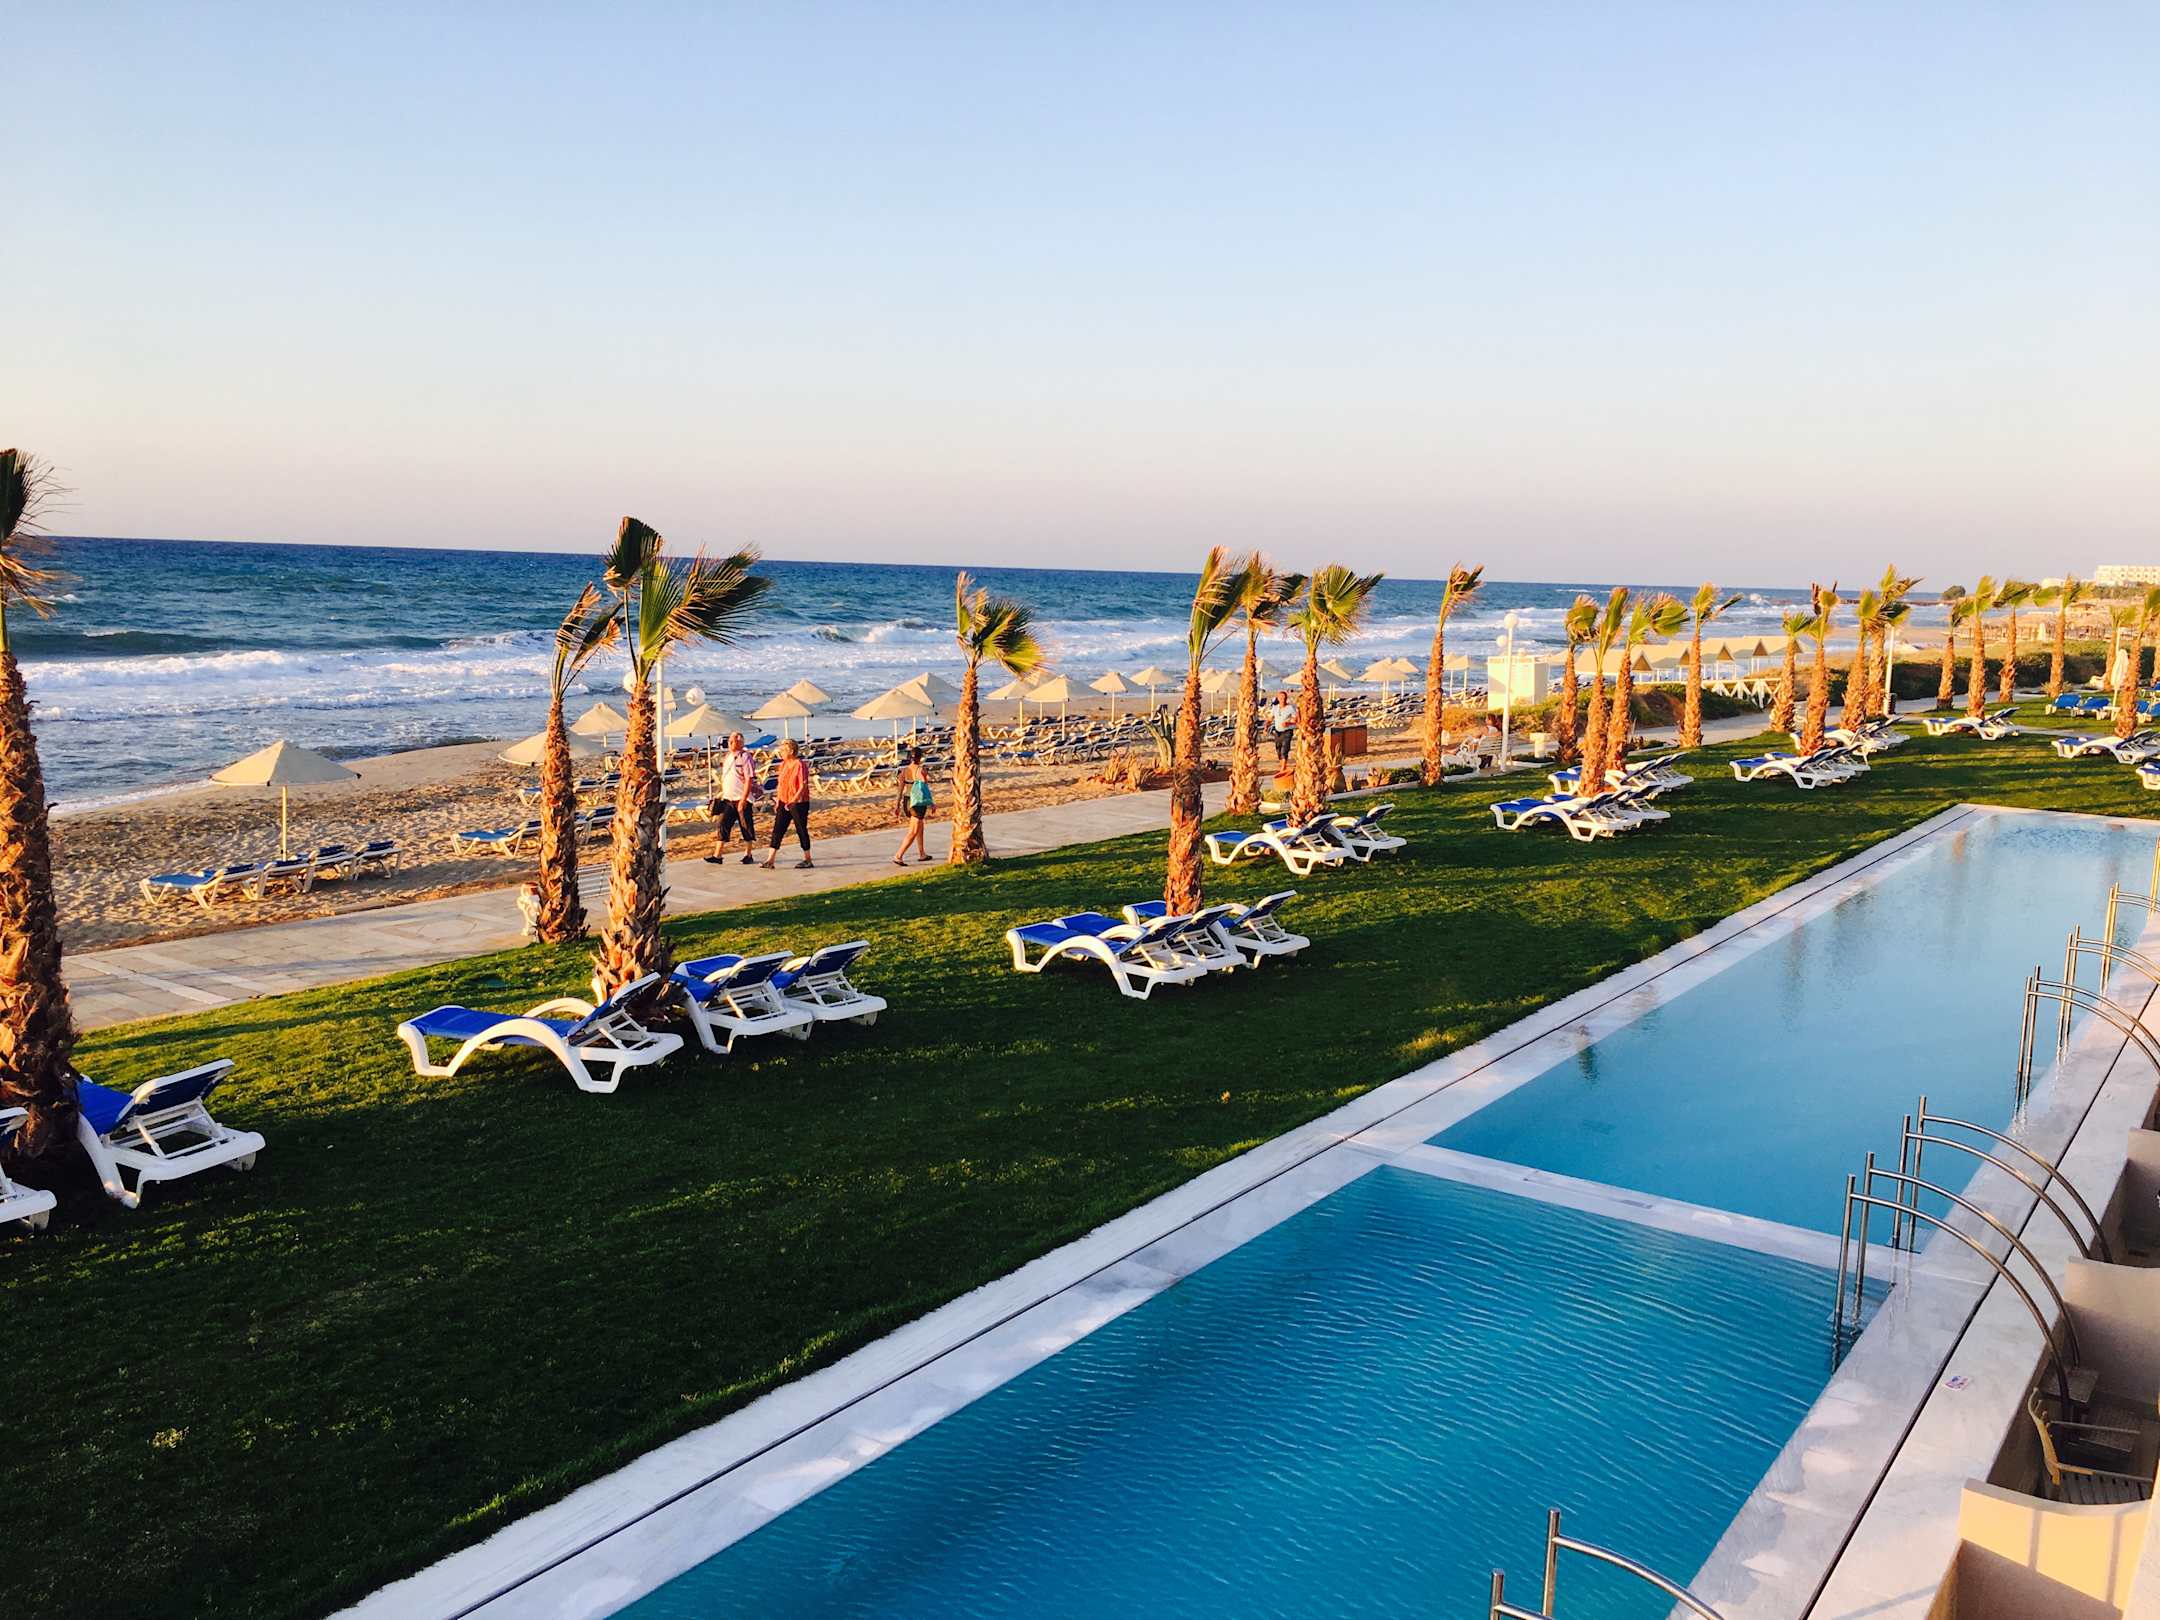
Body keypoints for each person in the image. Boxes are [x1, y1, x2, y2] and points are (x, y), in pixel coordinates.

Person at [704, 731, 760, 865]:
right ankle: (718, 855)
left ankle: (748, 854)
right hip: (728, 798)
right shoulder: (728, 756)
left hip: (741, 798)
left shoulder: (745, 757)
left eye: (732, 741)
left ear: (740, 742)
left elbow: (749, 779)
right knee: (722, 824)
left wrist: (743, 799)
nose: (729, 744)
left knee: (745, 826)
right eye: (729, 741)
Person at [762, 737, 813, 869]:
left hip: (798, 802)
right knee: (778, 829)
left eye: (783, 750)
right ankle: (770, 859)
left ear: (791, 751)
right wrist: (778, 800)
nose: (781, 753)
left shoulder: (799, 765)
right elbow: (781, 784)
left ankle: (807, 859)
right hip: (783, 800)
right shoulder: (783, 764)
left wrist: (794, 800)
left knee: (801, 829)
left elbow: (803, 785)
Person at [892, 746, 933, 864]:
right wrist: (932, 803)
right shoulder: (920, 769)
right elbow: (924, 787)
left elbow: (900, 790)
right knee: (913, 831)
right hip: (917, 803)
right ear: (920, 758)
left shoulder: (904, 771)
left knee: (920, 827)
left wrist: (897, 806)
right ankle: (898, 855)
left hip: (907, 801)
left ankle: (922, 853)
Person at [1268, 690, 1295, 763]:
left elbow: (1296, 719)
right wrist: (1266, 725)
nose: (1283, 699)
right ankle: (1282, 763)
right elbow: (1270, 718)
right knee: (1278, 749)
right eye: (1281, 698)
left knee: (1284, 749)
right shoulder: (1275, 708)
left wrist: (1288, 723)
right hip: (1278, 731)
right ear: (1278, 699)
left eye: (1284, 698)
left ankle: (1283, 767)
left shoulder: (1290, 708)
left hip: (1287, 731)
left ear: (1286, 698)